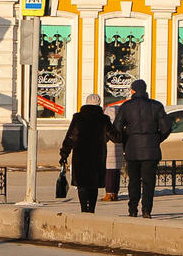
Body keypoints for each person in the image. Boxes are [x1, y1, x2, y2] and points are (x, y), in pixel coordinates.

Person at [114, 78, 171, 218]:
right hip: (151, 150)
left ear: (133, 91)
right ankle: (146, 210)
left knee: (133, 181)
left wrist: (126, 140)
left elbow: (116, 128)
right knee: (148, 181)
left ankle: (132, 209)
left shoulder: (126, 106)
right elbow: (166, 128)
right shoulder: (156, 106)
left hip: (132, 149)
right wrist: (156, 139)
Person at [64, 93, 112, 213]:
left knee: (82, 184)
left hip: (80, 155)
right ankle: (91, 209)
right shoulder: (104, 119)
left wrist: (64, 153)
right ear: (99, 103)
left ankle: (83, 209)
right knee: (93, 185)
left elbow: (70, 137)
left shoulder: (78, 118)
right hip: (97, 156)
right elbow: (113, 135)